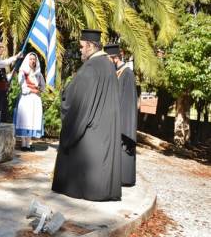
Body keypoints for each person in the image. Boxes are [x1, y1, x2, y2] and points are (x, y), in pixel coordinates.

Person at [51, 29, 122, 201]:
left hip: (92, 128)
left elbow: (79, 102)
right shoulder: (107, 64)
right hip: (103, 125)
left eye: (82, 47)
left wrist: (66, 95)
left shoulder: (91, 67)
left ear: (90, 46)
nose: (80, 50)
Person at [105, 43, 137, 187]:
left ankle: (125, 179)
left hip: (123, 120)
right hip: (114, 118)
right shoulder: (115, 72)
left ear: (115, 58)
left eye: (109, 59)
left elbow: (129, 102)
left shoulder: (128, 73)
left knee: (124, 149)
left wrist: (124, 125)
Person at [13, 52, 45, 151]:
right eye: (31, 59)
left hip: (35, 100)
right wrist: (33, 90)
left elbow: (43, 87)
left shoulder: (38, 73)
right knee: (25, 120)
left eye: (34, 59)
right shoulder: (23, 72)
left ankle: (28, 144)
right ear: (27, 60)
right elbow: (23, 88)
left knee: (32, 120)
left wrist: (39, 89)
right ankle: (23, 144)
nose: (33, 61)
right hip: (26, 99)